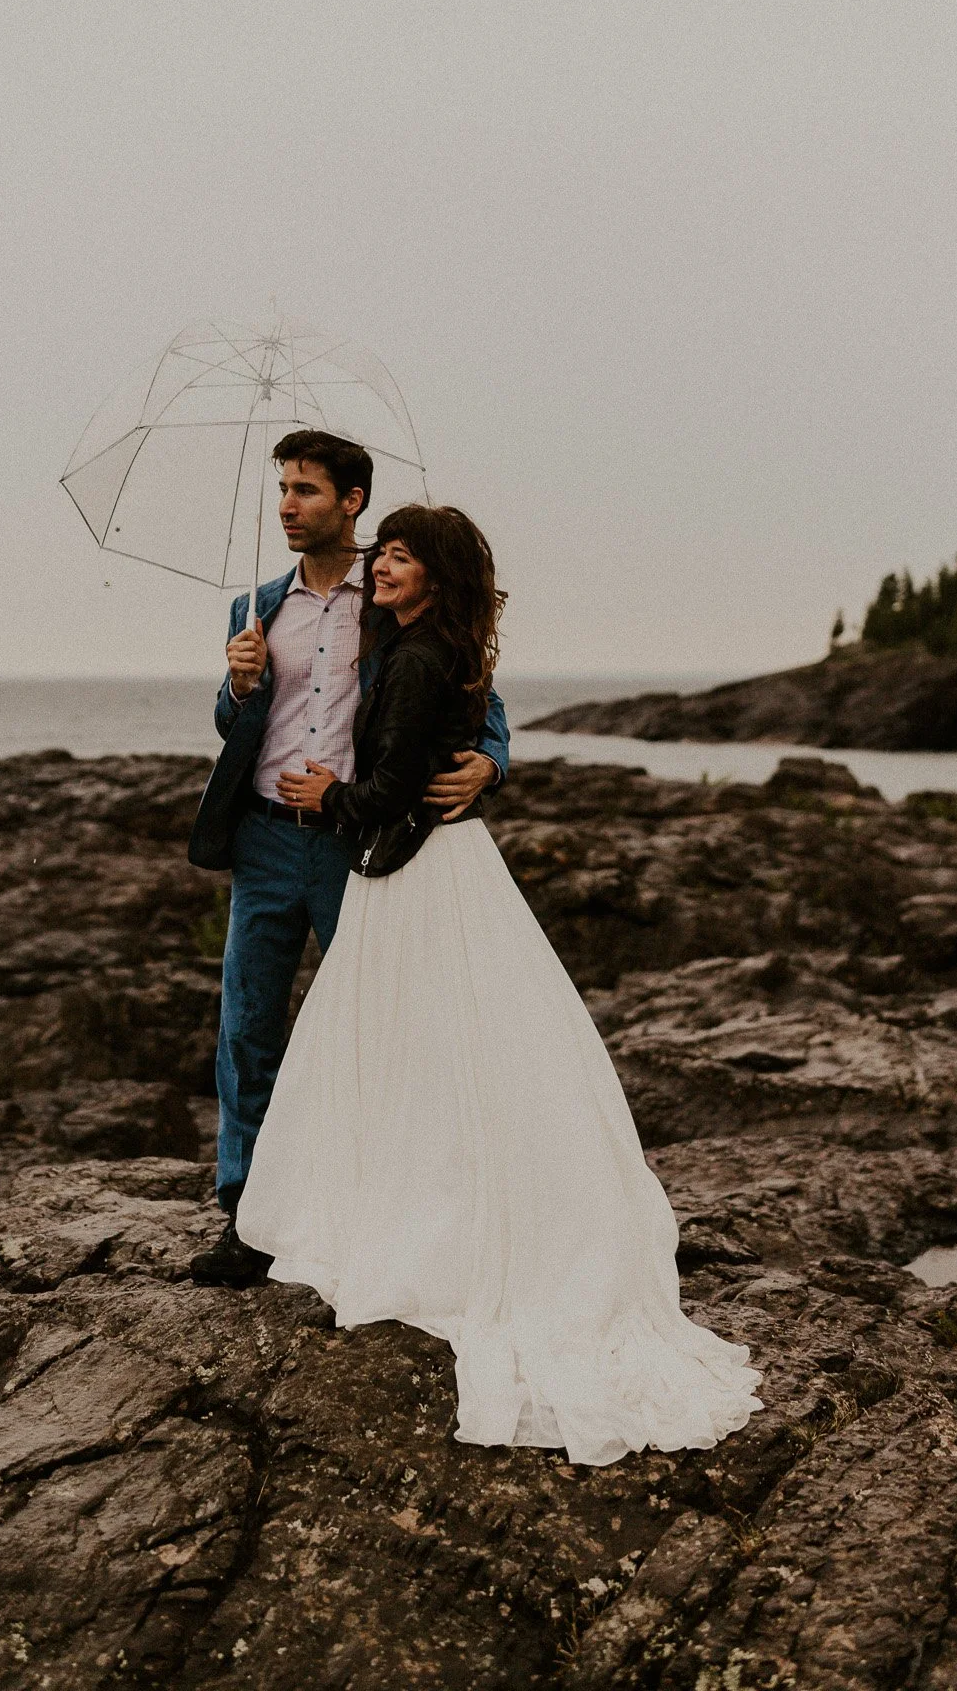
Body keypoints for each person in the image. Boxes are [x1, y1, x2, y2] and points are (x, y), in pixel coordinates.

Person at [234, 505, 764, 1467]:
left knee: (415, 1044)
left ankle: (423, 1219)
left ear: (433, 574)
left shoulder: (420, 656)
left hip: (413, 866)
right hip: (436, 865)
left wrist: (332, 799)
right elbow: (404, 738)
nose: (380, 567)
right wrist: (243, 688)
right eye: (380, 555)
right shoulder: (417, 639)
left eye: (398, 556)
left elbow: (395, 780)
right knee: (443, 1044)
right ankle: (424, 1201)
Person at [186, 433, 510, 1287]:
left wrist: (493, 760)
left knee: (370, 1034)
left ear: (351, 501)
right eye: (282, 490)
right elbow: (233, 724)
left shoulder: (396, 591)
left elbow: (471, 689)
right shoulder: (254, 606)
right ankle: (245, 1216)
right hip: (260, 837)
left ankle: (365, 1210)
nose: (287, 506)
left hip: (354, 845)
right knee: (248, 1027)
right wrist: (240, 685)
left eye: (305, 491)